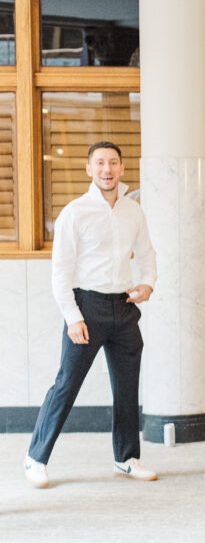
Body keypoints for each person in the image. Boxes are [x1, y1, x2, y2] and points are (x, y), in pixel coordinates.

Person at [23, 141, 158, 488]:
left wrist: (147, 283)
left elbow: (147, 253)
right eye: (99, 163)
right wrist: (73, 317)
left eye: (113, 162)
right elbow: (61, 273)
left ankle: (126, 458)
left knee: (127, 388)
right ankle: (35, 459)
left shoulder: (133, 211)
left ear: (122, 168)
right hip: (87, 308)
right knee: (66, 384)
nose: (107, 169)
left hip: (124, 308)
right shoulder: (74, 212)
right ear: (89, 169)